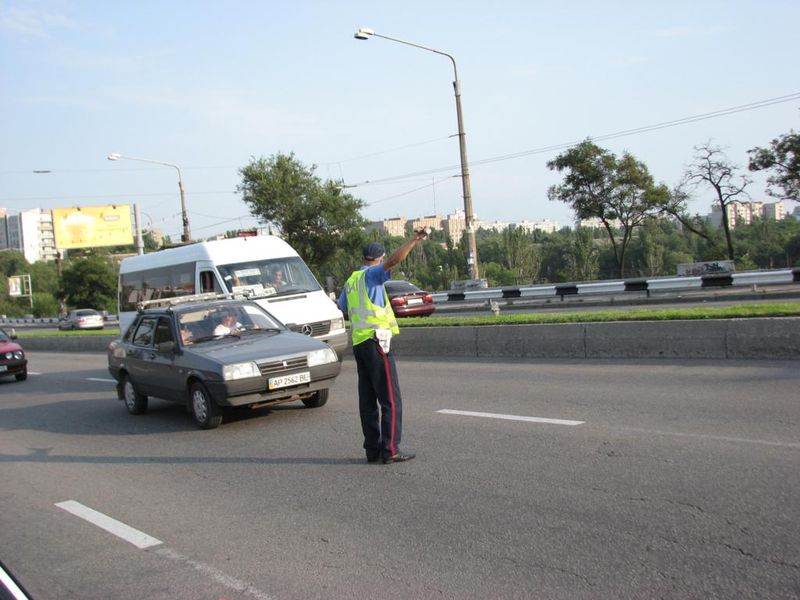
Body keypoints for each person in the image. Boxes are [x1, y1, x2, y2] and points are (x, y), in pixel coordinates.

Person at [338, 228, 428, 464]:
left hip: (359, 343)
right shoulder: (372, 275)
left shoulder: (351, 281)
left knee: (367, 400)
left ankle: (372, 450)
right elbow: (395, 260)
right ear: (378, 259)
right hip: (377, 342)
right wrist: (414, 240)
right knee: (390, 399)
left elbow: (343, 307)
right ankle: (390, 449)